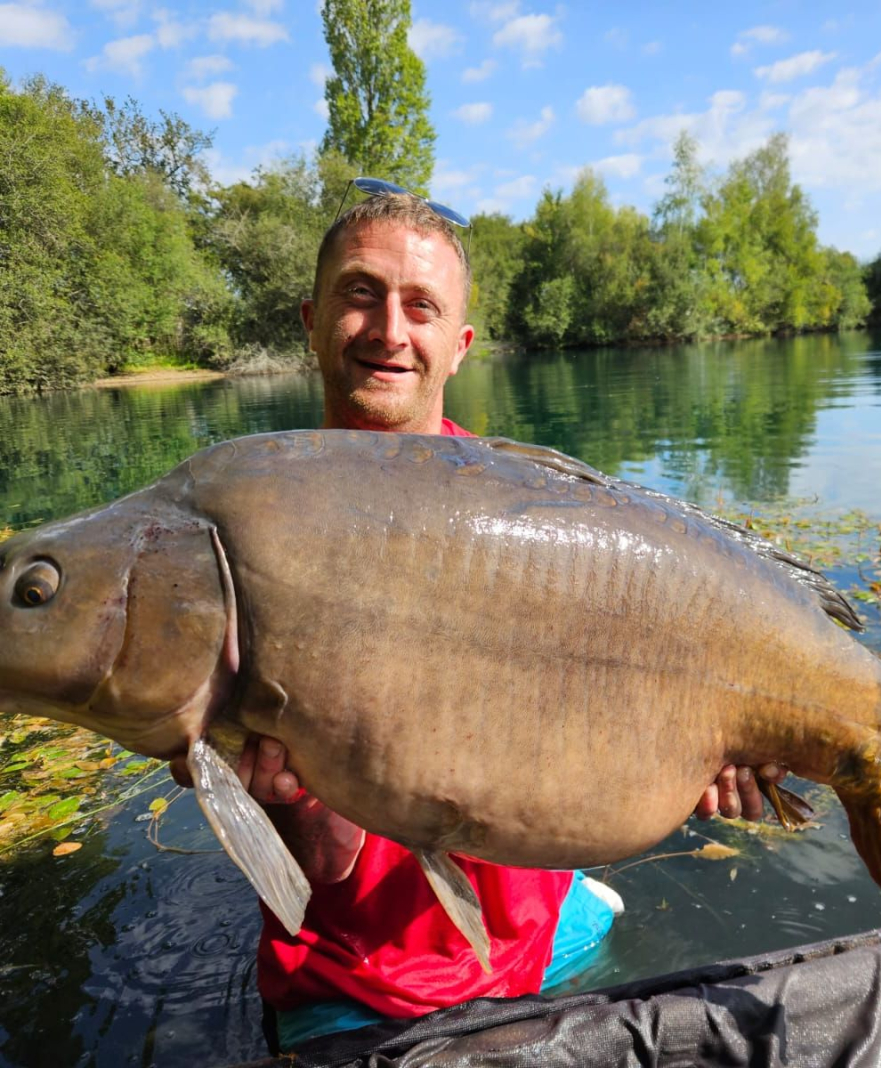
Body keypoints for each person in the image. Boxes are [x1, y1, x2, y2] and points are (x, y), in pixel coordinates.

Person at [173, 184, 786, 1054]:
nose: (390, 330)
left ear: (459, 345)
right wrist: (279, 796)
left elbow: (613, 734)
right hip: (366, 991)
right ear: (312, 321)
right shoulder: (242, 540)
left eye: (421, 306)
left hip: (555, 937)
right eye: (361, 294)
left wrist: (709, 759)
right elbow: (324, 866)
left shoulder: (541, 510)